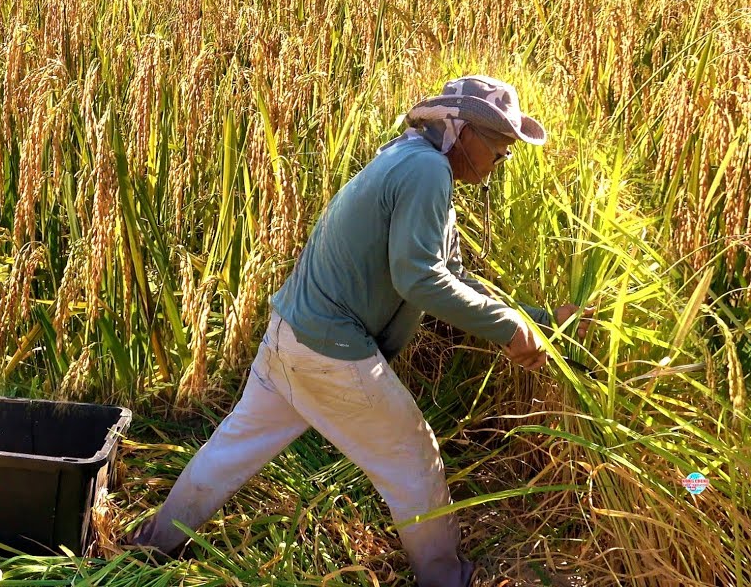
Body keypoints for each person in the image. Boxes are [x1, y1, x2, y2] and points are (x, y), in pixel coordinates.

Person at [128, 76, 592, 587]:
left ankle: (149, 548)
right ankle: (446, 579)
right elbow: (418, 278)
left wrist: (537, 321)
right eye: (499, 143)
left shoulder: (412, 160)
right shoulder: (427, 171)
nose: (503, 157)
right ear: (461, 132)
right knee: (414, 458)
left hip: (291, 333)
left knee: (230, 450)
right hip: (331, 350)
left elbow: (453, 276)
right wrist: (508, 330)